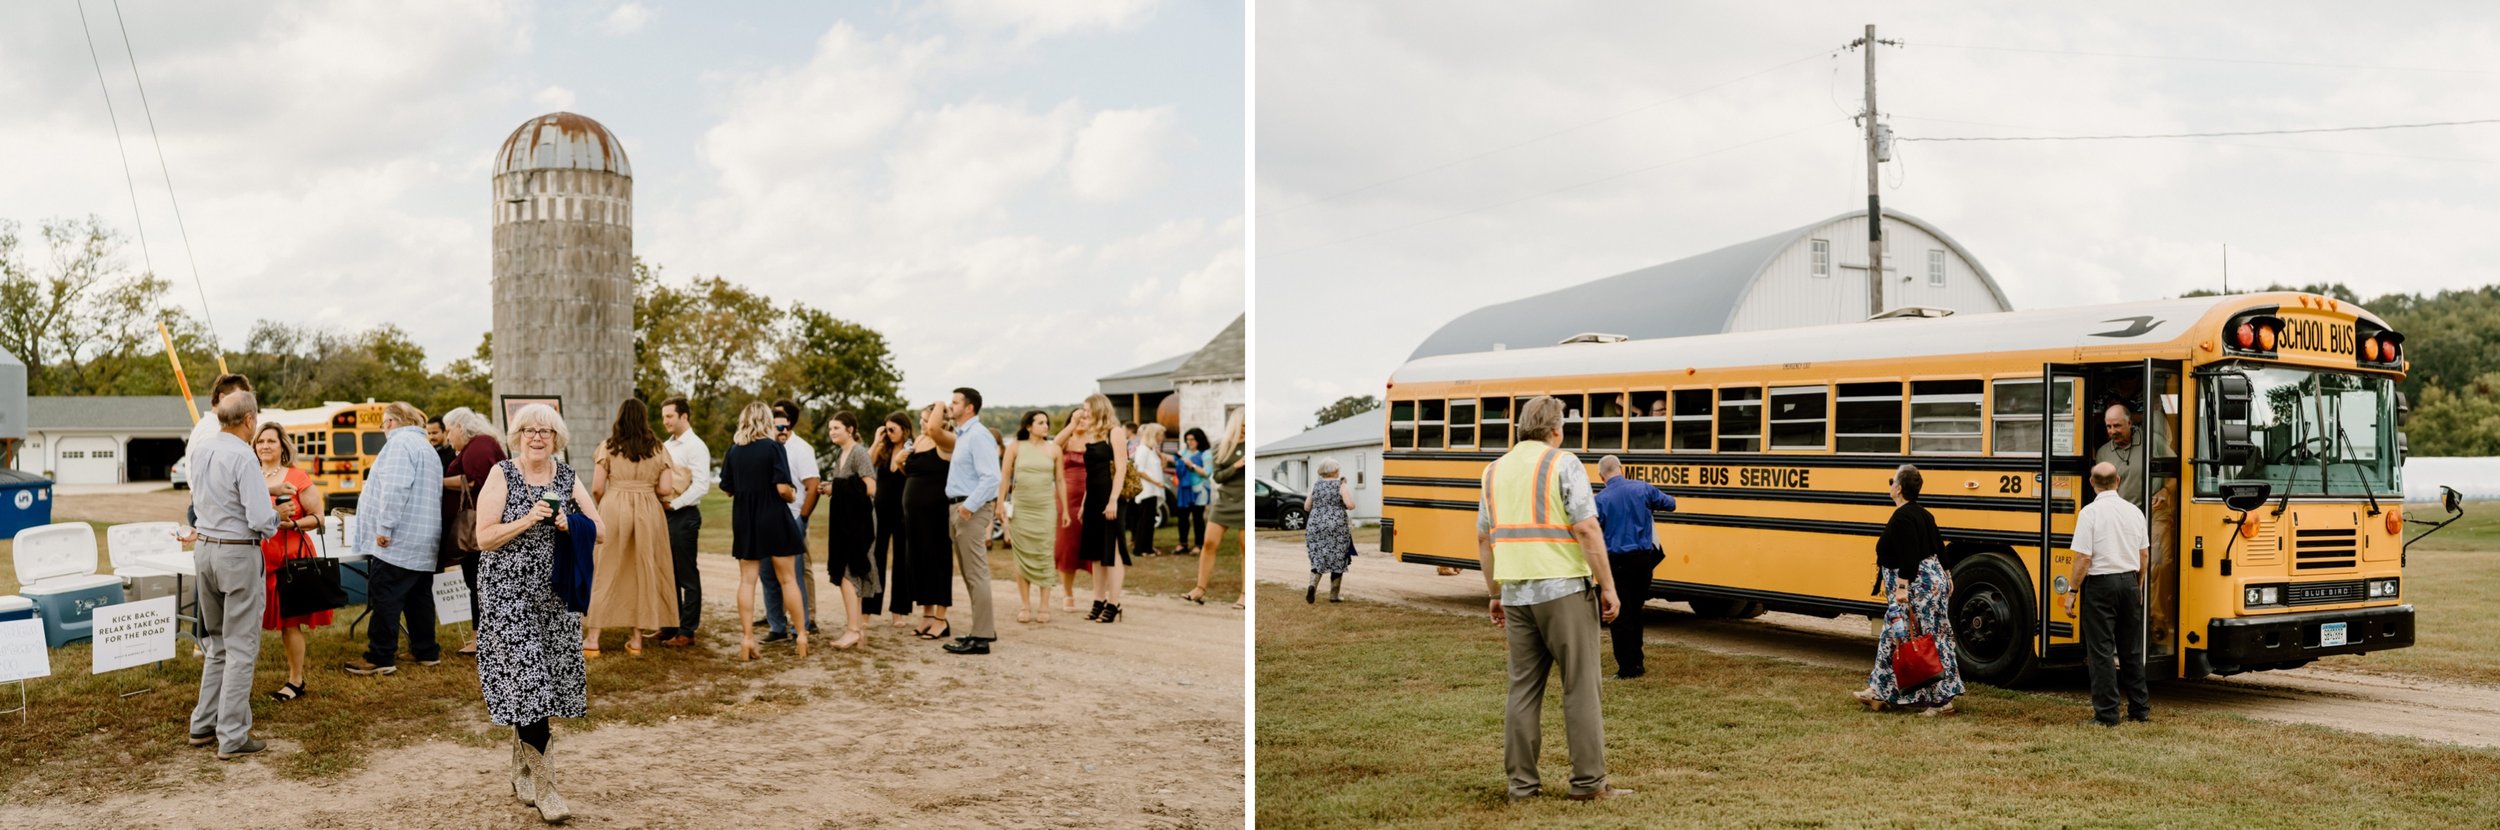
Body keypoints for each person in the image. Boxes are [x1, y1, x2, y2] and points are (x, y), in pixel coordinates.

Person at [1478, 395, 1625, 802]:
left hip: (1515, 593)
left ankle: (1522, 787)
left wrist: (1494, 593)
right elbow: (1587, 529)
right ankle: (1588, 783)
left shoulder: (1492, 471)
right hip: (1563, 590)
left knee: (1522, 689)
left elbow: (1483, 538)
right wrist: (1608, 585)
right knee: (1580, 687)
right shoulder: (1563, 462)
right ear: (1557, 430)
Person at [470, 403, 600, 822]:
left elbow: (603, 530)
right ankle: (547, 790)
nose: (537, 436)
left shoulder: (566, 476)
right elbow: (484, 537)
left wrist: (569, 522)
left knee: (543, 686)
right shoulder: (502, 474)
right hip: (507, 595)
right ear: (517, 436)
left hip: (554, 596)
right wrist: (528, 519)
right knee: (528, 683)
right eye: (528, 429)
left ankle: (520, 771)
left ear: (557, 437)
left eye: (545, 430)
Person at [185, 391, 281, 761]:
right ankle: (232, 735)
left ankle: (203, 723)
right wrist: (278, 518)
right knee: (241, 647)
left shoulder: (204, 449)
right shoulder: (243, 455)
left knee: (217, 643)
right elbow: (259, 518)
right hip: (237, 552)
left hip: (205, 548)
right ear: (250, 421)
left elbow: (197, 504)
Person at [344, 402, 447, 677]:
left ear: (391, 422)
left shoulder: (399, 445)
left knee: (385, 596)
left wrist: (384, 527)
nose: (383, 429)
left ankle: (380, 656)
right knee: (419, 597)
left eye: (383, 424)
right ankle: (426, 651)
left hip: (400, 538)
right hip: (424, 535)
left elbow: (395, 488)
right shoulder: (427, 448)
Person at [1854, 465, 1964, 714]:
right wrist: (1948, 575)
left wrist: (1902, 587)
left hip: (1916, 588)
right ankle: (1879, 690)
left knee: (1926, 640)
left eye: (1892, 480)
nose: (1890, 484)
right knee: (1896, 636)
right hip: (1932, 583)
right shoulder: (1923, 514)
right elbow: (1939, 545)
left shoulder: (1903, 517)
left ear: (1899, 488)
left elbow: (1909, 555)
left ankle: (1942, 701)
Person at [583, 399, 682, 657]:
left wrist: (607, 504)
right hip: (648, 509)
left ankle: (593, 639)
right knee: (643, 569)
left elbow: (596, 486)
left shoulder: (608, 446)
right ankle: (636, 640)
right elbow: (666, 488)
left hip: (614, 505)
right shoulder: (658, 448)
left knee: (606, 568)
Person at [2066, 461, 2152, 727]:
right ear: (2119, 481)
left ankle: (2106, 714)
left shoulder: (2089, 513)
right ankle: (2139, 709)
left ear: (2092, 483)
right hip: (2128, 582)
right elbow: (2144, 554)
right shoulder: (2135, 512)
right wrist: (2137, 584)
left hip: (2100, 586)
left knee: (2101, 651)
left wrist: (2072, 590)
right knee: (2131, 650)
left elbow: (2083, 558)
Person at [722, 401, 810, 659]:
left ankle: (747, 638)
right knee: (788, 579)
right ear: (766, 421)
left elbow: (727, 488)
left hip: (745, 519)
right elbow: (783, 489)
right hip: (773, 516)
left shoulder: (734, 451)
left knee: (747, 580)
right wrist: (793, 496)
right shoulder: (774, 447)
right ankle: (802, 635)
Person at [255, 422, 328, 702]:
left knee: (290, 623)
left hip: (290, 558)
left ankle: (296, 680)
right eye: (260, 441)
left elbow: (319, 517)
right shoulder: (249, 475)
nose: (265, 446)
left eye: (271, 441)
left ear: (282, 446)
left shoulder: (297, 476)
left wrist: (292, 524)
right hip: (257, 558)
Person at [1591, 455, 1674, 680]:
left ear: (1601, 476)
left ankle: (1627, 667)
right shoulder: (1643, 489)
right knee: (1636, 610)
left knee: (1619, 614)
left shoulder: (1600, 500)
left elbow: (1593, 530)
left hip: (1616, 563)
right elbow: (1671, 503)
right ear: (1622, 469)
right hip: (1643, 560)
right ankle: (1637, 661)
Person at [936, 388, 1002, 655]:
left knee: (976, 573)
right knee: (969, 573)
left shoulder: (978, 435)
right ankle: (980, 629)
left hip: (970, 511)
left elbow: (992, 478)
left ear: (970, 407)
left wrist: (968, 508)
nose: (950, 406)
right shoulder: (963, 435)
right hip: (959, 509)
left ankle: (982, 636)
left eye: (954, 402)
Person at [442, 408, 509, 657]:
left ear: (461, 426)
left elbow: (472, 481)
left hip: (479, 529)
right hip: (484, 526)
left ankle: (480, 639)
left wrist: (436, 481)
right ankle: (485, 637)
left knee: (478, 583)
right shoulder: (483, 444)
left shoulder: (479, 447)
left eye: (450, 430)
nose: (449, 437)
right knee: (480, 584)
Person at [758, 400, 821, 641]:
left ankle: (799, 627)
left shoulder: (801, 449)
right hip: (766, 519)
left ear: (790, 423)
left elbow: (813, 485)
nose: (780, 428)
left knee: (793, 577)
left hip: (792, 517)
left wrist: (802, 519)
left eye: (783, 423)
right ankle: (776, 626)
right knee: (767, 574)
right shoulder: (766, 446)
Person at [816, 410, 878, 649]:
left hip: (859, 523)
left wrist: (836, 488)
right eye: (830, 428)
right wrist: (831, 487)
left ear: (850, 429)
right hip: (844, 521)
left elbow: (870, 487)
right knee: (847, 572)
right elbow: (845, 486)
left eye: (836, 428)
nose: (832, 432)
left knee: (850, 573)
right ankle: (857, 629)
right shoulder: (840, 454)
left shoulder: (859, 453)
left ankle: (853, 630)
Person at [655, 397, 709, 648]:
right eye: (664, 416)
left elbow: (701, 486)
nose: (665, 421)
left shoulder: (696, 446)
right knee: (669, 573)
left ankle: (687, 631)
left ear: (684, 417)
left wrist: (674, 505)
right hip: (666, 514)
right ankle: (670, 626)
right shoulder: (666, 445)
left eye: (669, 416)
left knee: (687, 575)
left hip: (684, 515)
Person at [999, 410, 1061, 623]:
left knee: (1044, 554)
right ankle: (1025, 605)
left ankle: (1044, 606)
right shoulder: (1015, 447)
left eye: (1047, 423)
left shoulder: (1055, 450)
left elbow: (1060, 481)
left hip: (1045, 508)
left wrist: (1066, 511)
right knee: (1022, 556)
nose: (1046, 426)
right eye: (1041, 423)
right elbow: (1005, 477)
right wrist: (999, 504)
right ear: (1028, 426)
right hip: (1022, 509)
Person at [902, 403, 956, 640]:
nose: (923, 424)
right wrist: (899, 463)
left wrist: (942, 404)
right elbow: (914, 473)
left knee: (937, 563)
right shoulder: (920, 441)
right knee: (919, 562)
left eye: (927, 420)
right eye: (921, 420)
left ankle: (941, 620)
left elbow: (934, 430)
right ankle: (926, 615)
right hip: (914, 516)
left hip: (936, 513)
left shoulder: (946, 440)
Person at [1078, 395, 1133, 622]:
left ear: (1099, 409)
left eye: (1087, 409)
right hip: (1093, 497)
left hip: (1111, 496)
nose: (1084, 413)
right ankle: (1098, 599)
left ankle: (1114, 601)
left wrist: (1113, 500)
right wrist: (1083, 503)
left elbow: (1121, 468)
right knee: (1095, 553)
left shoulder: (1115, 432)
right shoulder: (1090, 434)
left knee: (1113, 549)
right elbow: (1091, 474)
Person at [1186, 410, 1246, 607]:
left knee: (1245, 548)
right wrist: (1236, 466)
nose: (1245, 430)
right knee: (1209, 543)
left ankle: (1244, 595)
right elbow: (1218, 477)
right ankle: (1200, 589)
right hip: (1225, 500)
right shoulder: (1221, 446)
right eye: (1242, 425)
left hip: (1246, 501)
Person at [869, 412, 914, 629]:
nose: (890, 433)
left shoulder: (913, 450)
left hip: (903, 511)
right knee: (876, 558)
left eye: (893, 429)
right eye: (887, 429)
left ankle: (899, 611)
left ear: (905, 429)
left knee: (901, 561)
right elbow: (867, 465)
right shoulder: (884, 449)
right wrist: (877, 440)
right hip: (881, 509)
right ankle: (868, 609)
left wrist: (903, 458)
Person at [1052, 407, 1096, 613]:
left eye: (1085, 417)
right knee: (1066, 547)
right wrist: (1072, 425)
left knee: (1094, 545)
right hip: (1066, 499)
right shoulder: (1065, 441)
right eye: (1078, 416)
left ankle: (1100, 594)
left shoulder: (1095, 439)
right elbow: (1053, 445)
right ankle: (1067, 593)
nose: (1081, 420)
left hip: (1092, 496)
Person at [1301, 456, 1356, 604]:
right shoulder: (1340, 485)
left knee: (1318, 556)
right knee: (1338, 557)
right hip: (1336, 525)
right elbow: (1350, 505)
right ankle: (1334, 595)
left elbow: (1306, 507)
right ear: (1335, 470)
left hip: (1315, 525)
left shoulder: (1315, 485)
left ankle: (1312, 585)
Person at [1129, 423, 1171, 563]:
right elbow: (1140, 471)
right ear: (1154, 435)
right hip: (1147, 490)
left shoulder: (1151, 450)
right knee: (1144, 520)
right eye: (1160, 434)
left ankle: (1148, 547)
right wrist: (1156, 482)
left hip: (1154, 491)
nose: (1162, 437)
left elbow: (1157, 467)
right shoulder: (1142, 450)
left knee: (1149, 520)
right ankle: (1141, 549)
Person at [1173, 428, 1212, 554]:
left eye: (1192, 439)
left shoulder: (1206, 453)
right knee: (1183, 517)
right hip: (1185, 489)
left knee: (1197, 518)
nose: (1189, 442)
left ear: (1199, 440)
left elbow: (1207, 473)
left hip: (1200, 491)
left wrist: (1192, 465)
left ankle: (1199, 545)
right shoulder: (1184, 452)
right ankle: (1182, 544)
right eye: (1187, 439)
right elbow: (1175, 460)